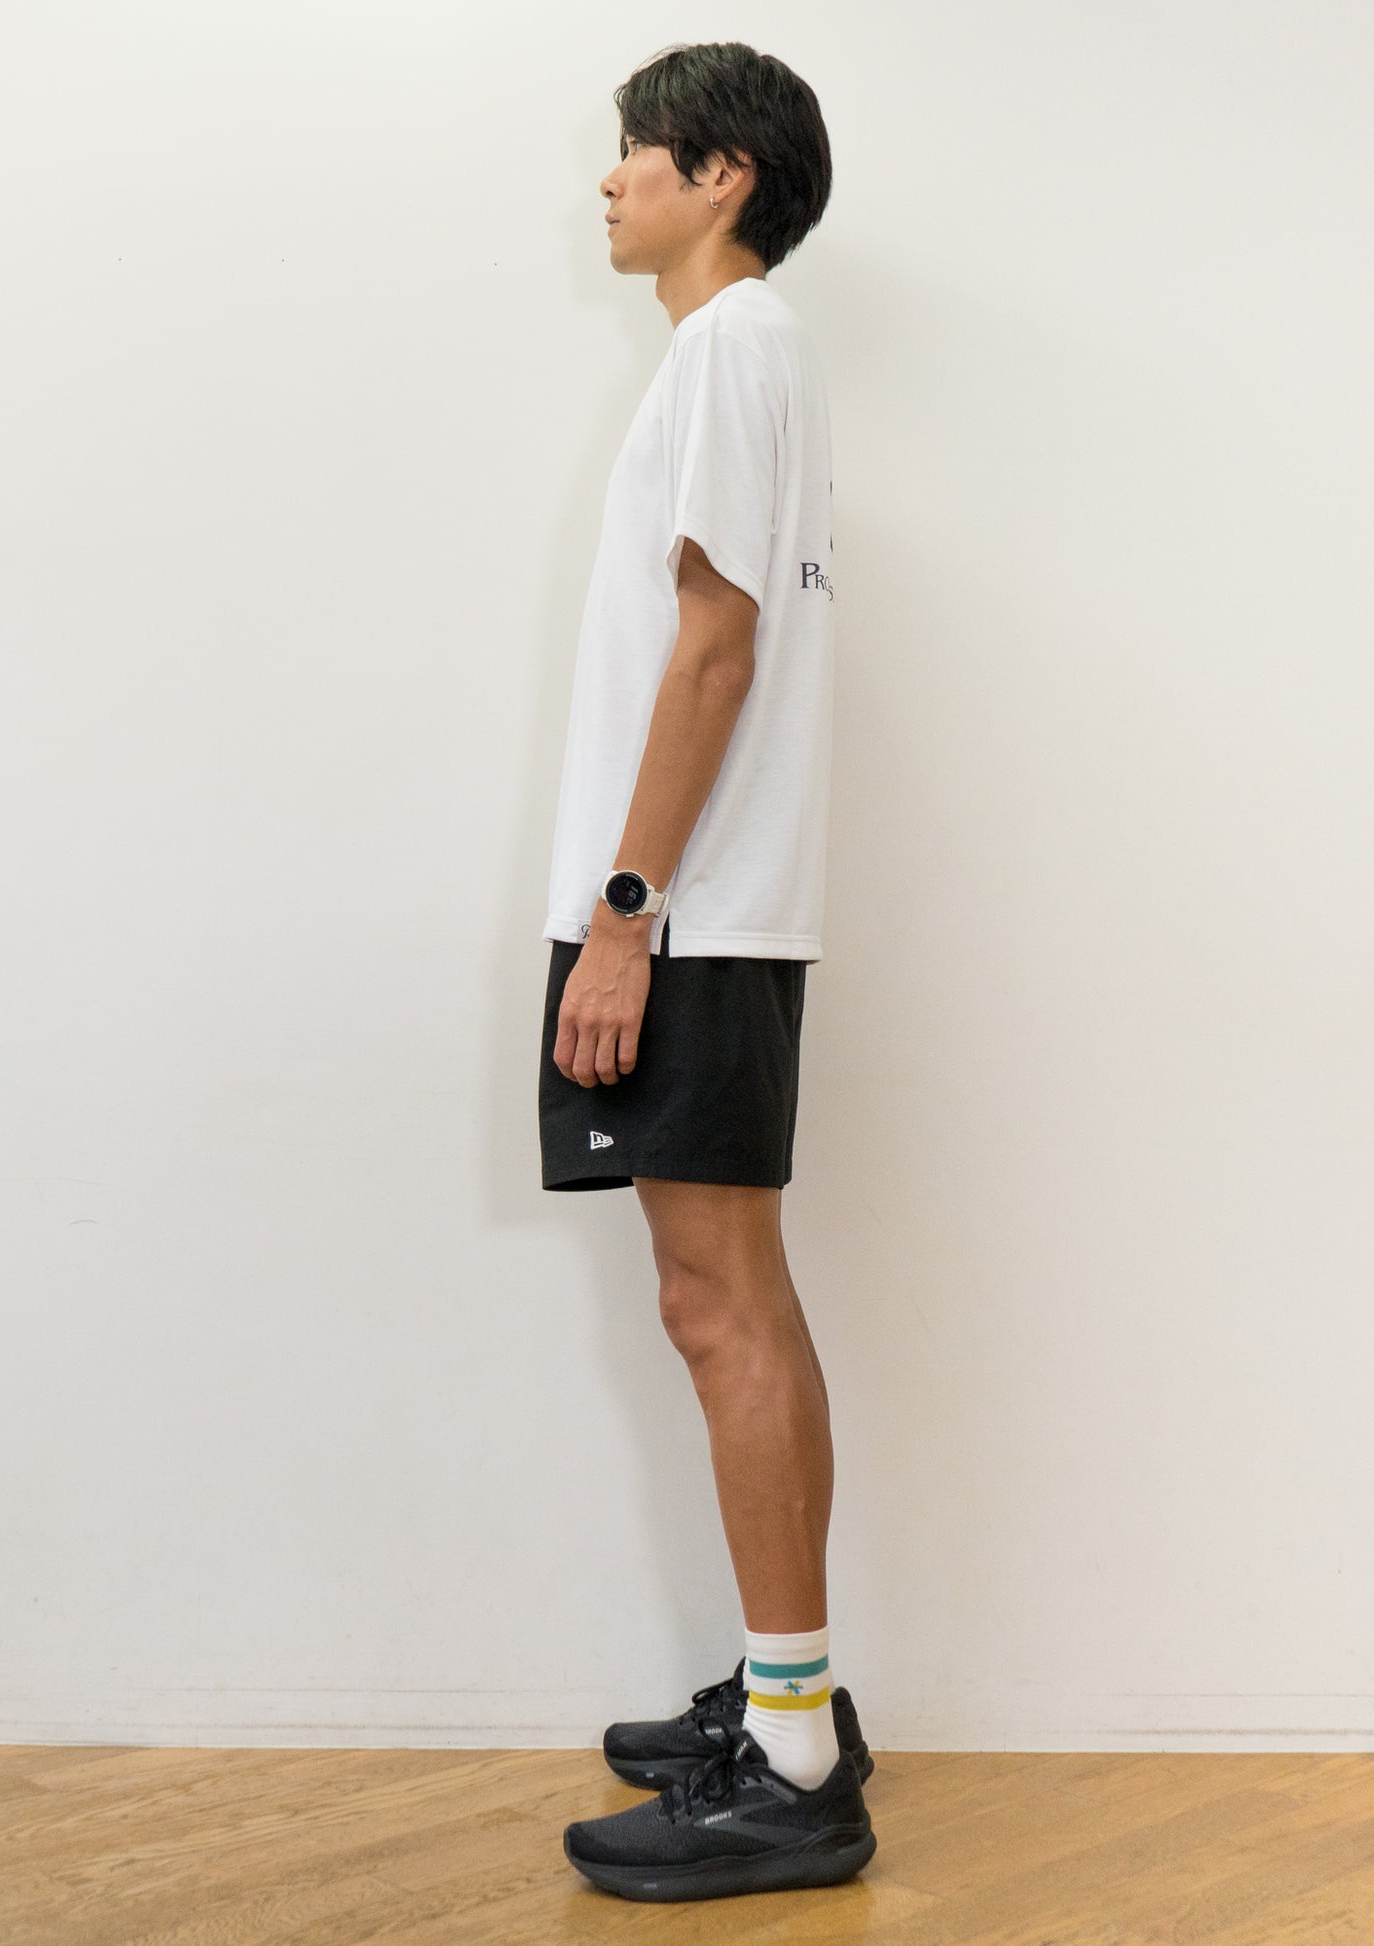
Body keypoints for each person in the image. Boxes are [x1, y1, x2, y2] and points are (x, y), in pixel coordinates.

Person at [535, 41, 873, 1904]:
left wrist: (624, 909)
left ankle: (794, 1766)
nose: (608, 183)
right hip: (712, 907)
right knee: (740, 1296)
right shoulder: (744, 354)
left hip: (690, 910)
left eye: (633, 155)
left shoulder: (734, 345)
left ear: (719, 173)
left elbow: (714, 647)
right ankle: (787, 1702)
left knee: (714, 1303)